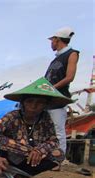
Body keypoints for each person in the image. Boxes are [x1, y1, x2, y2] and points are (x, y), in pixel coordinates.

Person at [0, 77, 72, 178]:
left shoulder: (46, 119)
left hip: (27, 155)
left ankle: (21, 176)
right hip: (5, 157)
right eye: (30, 101)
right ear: (23, 103)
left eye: (39, 102)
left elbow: (53, 140)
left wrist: (40, 150)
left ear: (45, 105)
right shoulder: (13, 116)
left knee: (58, 154)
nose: (34, 106)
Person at [45, 26, 79, 157]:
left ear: (57, 39)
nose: (51, 43)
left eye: (52, 40)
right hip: (48, 98)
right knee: (47, 129)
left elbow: (69, 77)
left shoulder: (72, 54)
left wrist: (52, 88)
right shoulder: (55, 59)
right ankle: (48, 157)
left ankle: (58, 159)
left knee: (58, 129)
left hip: (58, 98)